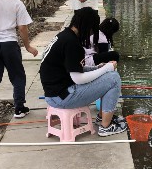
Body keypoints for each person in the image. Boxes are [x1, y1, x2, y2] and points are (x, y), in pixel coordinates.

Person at [40, 7, 127, 137]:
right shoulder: (73, 44)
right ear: (87, 27)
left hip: (54, 94)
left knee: (108, 74)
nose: (92, 34)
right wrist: (106, 69)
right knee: (113, 78)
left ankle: (101, 117)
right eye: (92, 30)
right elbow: (78, 78)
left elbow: (72, 68)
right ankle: (105, 126)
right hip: (62, 97)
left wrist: (99, 68)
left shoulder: (64, 36)